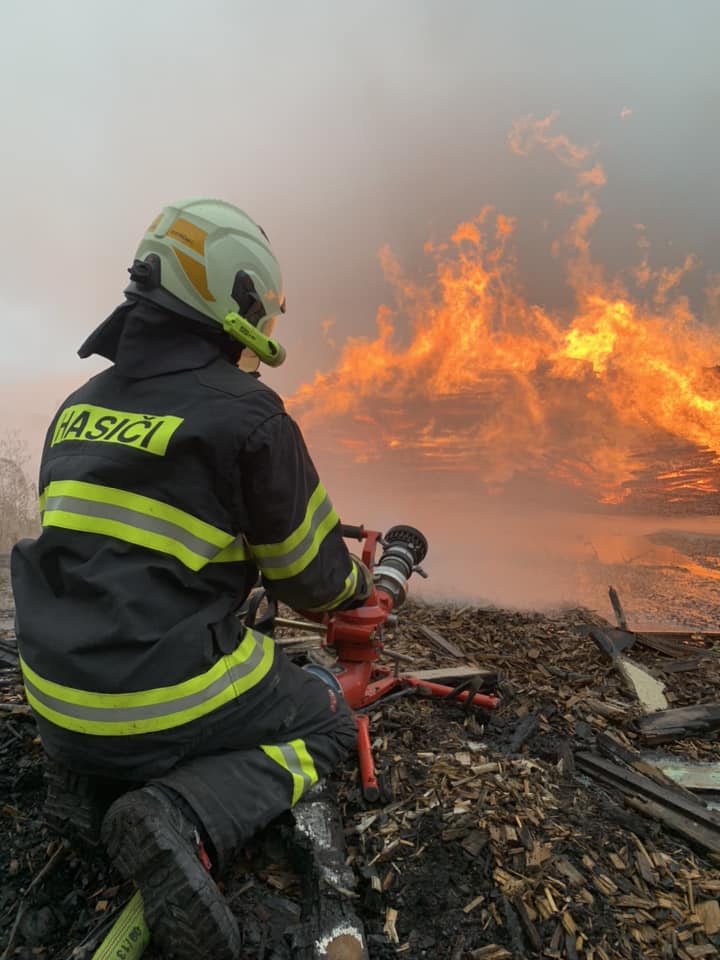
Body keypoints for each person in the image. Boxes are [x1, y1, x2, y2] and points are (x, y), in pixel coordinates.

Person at [11, 198, 370, 960]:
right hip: (149, 694)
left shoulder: (76, 409)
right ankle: (181, 815)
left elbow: (121, 550)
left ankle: (90, 776)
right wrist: (361, 584)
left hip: (55, 695)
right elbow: (314, 580)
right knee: (325, 723)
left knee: (160, 674)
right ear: (233, 301)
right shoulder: (248, 415)